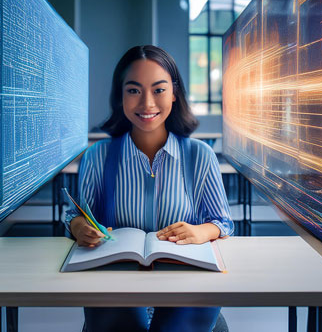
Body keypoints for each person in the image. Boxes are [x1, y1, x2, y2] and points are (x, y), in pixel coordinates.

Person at [65, 45, 234, 332]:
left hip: (186, 293)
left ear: (174, 93)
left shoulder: (199, 155)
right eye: (133, 90)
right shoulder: (98, 156)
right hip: (115, 292)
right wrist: (80, 227)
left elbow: (223, 223)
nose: (147, 103)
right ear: (120, 95)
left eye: (158, 90)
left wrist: (200, 232)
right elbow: (74, 215)